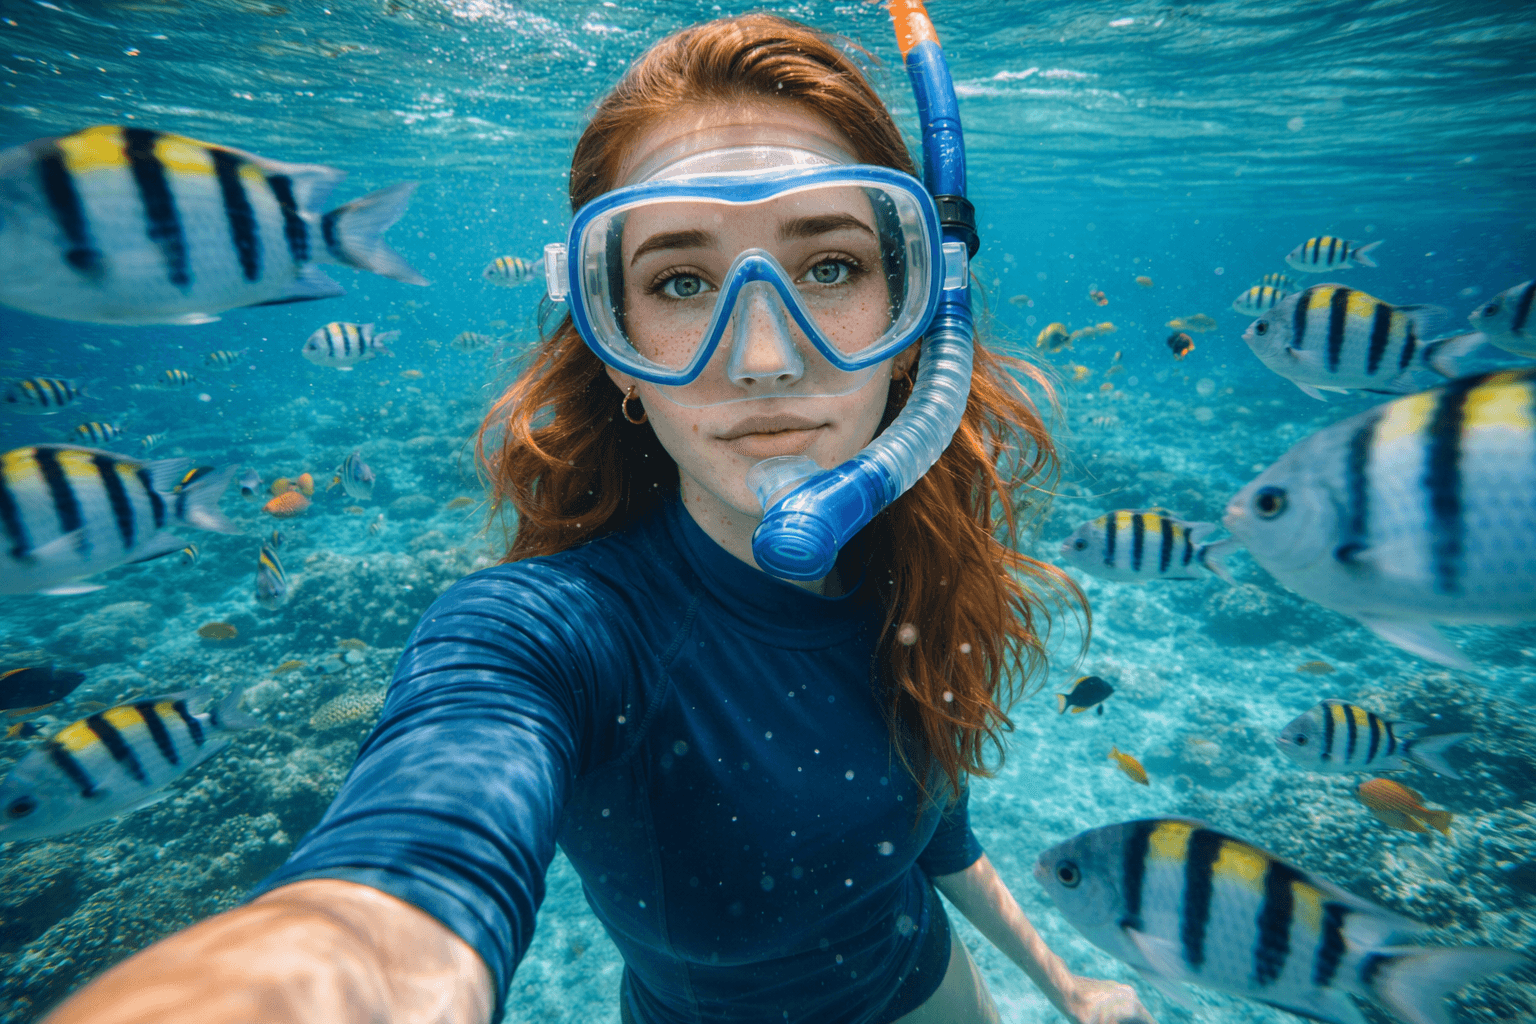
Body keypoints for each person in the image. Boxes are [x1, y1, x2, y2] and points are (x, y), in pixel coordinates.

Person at [46, 12, 1157, 1024]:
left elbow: (929, 836)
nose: (767, 360)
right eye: (680, 284)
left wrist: (1062, 982)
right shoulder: (547, 634)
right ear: (615, 353)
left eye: (830, 265)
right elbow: (412, 870)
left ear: (919, 317)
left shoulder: (910, 566)